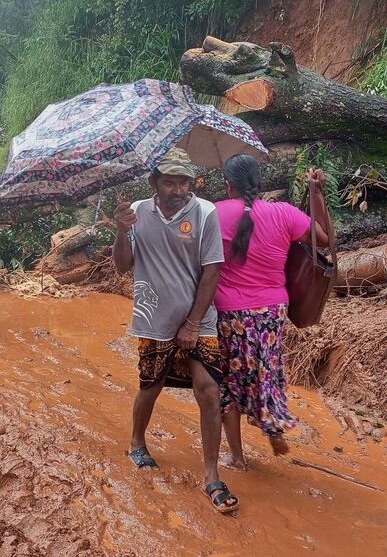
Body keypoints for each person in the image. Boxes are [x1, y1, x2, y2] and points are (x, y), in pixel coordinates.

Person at [112, 147, 238, 514]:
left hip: (200, 318)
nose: (179, 189)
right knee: (150, 386)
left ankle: (212, 475)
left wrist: (194, 322)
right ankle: (137, 442)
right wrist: (122, 233)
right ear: (154, 182)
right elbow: (123, 267)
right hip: (153, 318)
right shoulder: (136, 213)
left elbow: (212, 269)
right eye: (170, 181)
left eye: (184, 181)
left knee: (210, 391)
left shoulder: (205, 212)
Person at [213, 154, 330, 469]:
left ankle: (237, 457)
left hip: (229, 312)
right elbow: (325, 239)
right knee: (267, 370)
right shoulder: (284, 214)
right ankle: (273, 424)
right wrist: (316, 194)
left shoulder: (213, 213)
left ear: (228, 185)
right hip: (272, 310)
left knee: (229, 379)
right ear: (259, 183)